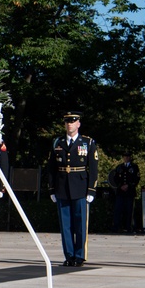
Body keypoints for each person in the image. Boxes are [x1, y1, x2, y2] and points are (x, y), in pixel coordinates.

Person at [47, 110, 98, 267]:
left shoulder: (87, 142)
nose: (70, 124)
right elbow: (51, 168)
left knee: (80, 223)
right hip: (62, 187)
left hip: (80, 187)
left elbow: (93, 168)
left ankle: (80, 255)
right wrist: (51, 189)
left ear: (78, 124)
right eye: (67, 122)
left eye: (73, 121)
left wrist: (91, 190)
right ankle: (69, 255)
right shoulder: (57, 142)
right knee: (65, 224)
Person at [112, 153, 141, 233]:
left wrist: (129, 185)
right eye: (125, 157)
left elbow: (136, 178)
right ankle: (116, 226)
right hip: (120, 192)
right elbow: (115, 178)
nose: (126, 158)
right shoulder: (119, 167)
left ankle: (129, 227)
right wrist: (120, 186)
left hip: (129, 191)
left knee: (129, 210)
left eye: (128, 157)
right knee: (118, 209)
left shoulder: (134, 167)